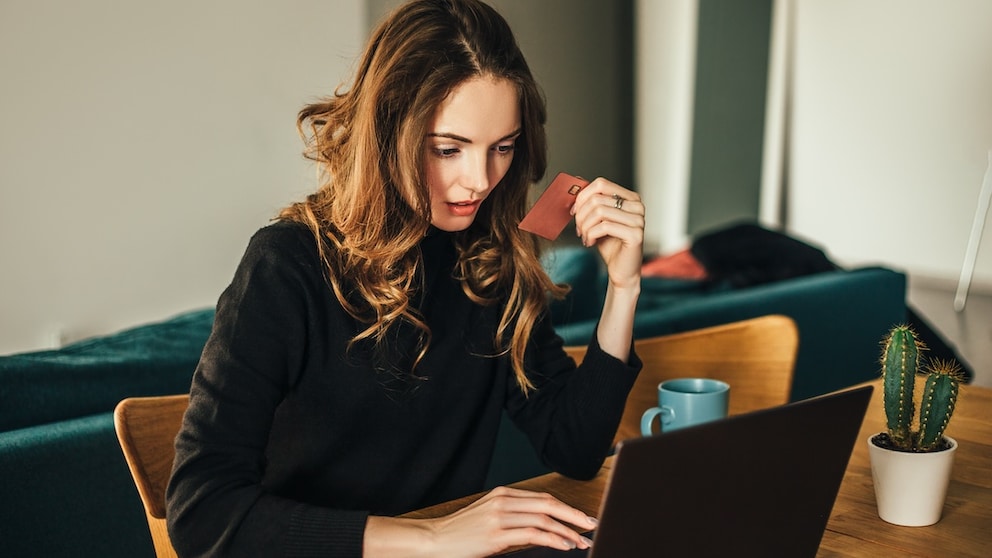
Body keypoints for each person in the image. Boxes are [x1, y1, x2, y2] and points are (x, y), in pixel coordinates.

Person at [166, 0, 645, 556]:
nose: (480, 180)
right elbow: (202, 513)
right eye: (448, 149)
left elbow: (575, 447)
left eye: (503, 148)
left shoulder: (490, 261)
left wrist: (624, 287)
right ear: (387, 131)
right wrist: (435, 536)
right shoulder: (285, 266)